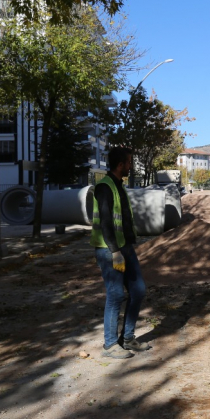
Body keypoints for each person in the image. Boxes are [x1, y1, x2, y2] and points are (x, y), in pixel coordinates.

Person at [92, 146, 151, 359]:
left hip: (125, 246)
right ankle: (110, 344)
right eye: (129, 163)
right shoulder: (104, 187)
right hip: (110, 249)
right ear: (120, 165)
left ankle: (127, 338)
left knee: (138, 290)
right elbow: (106, 223)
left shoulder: (119, 186)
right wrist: (115, 251)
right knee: (116, 294)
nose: (130, 166)